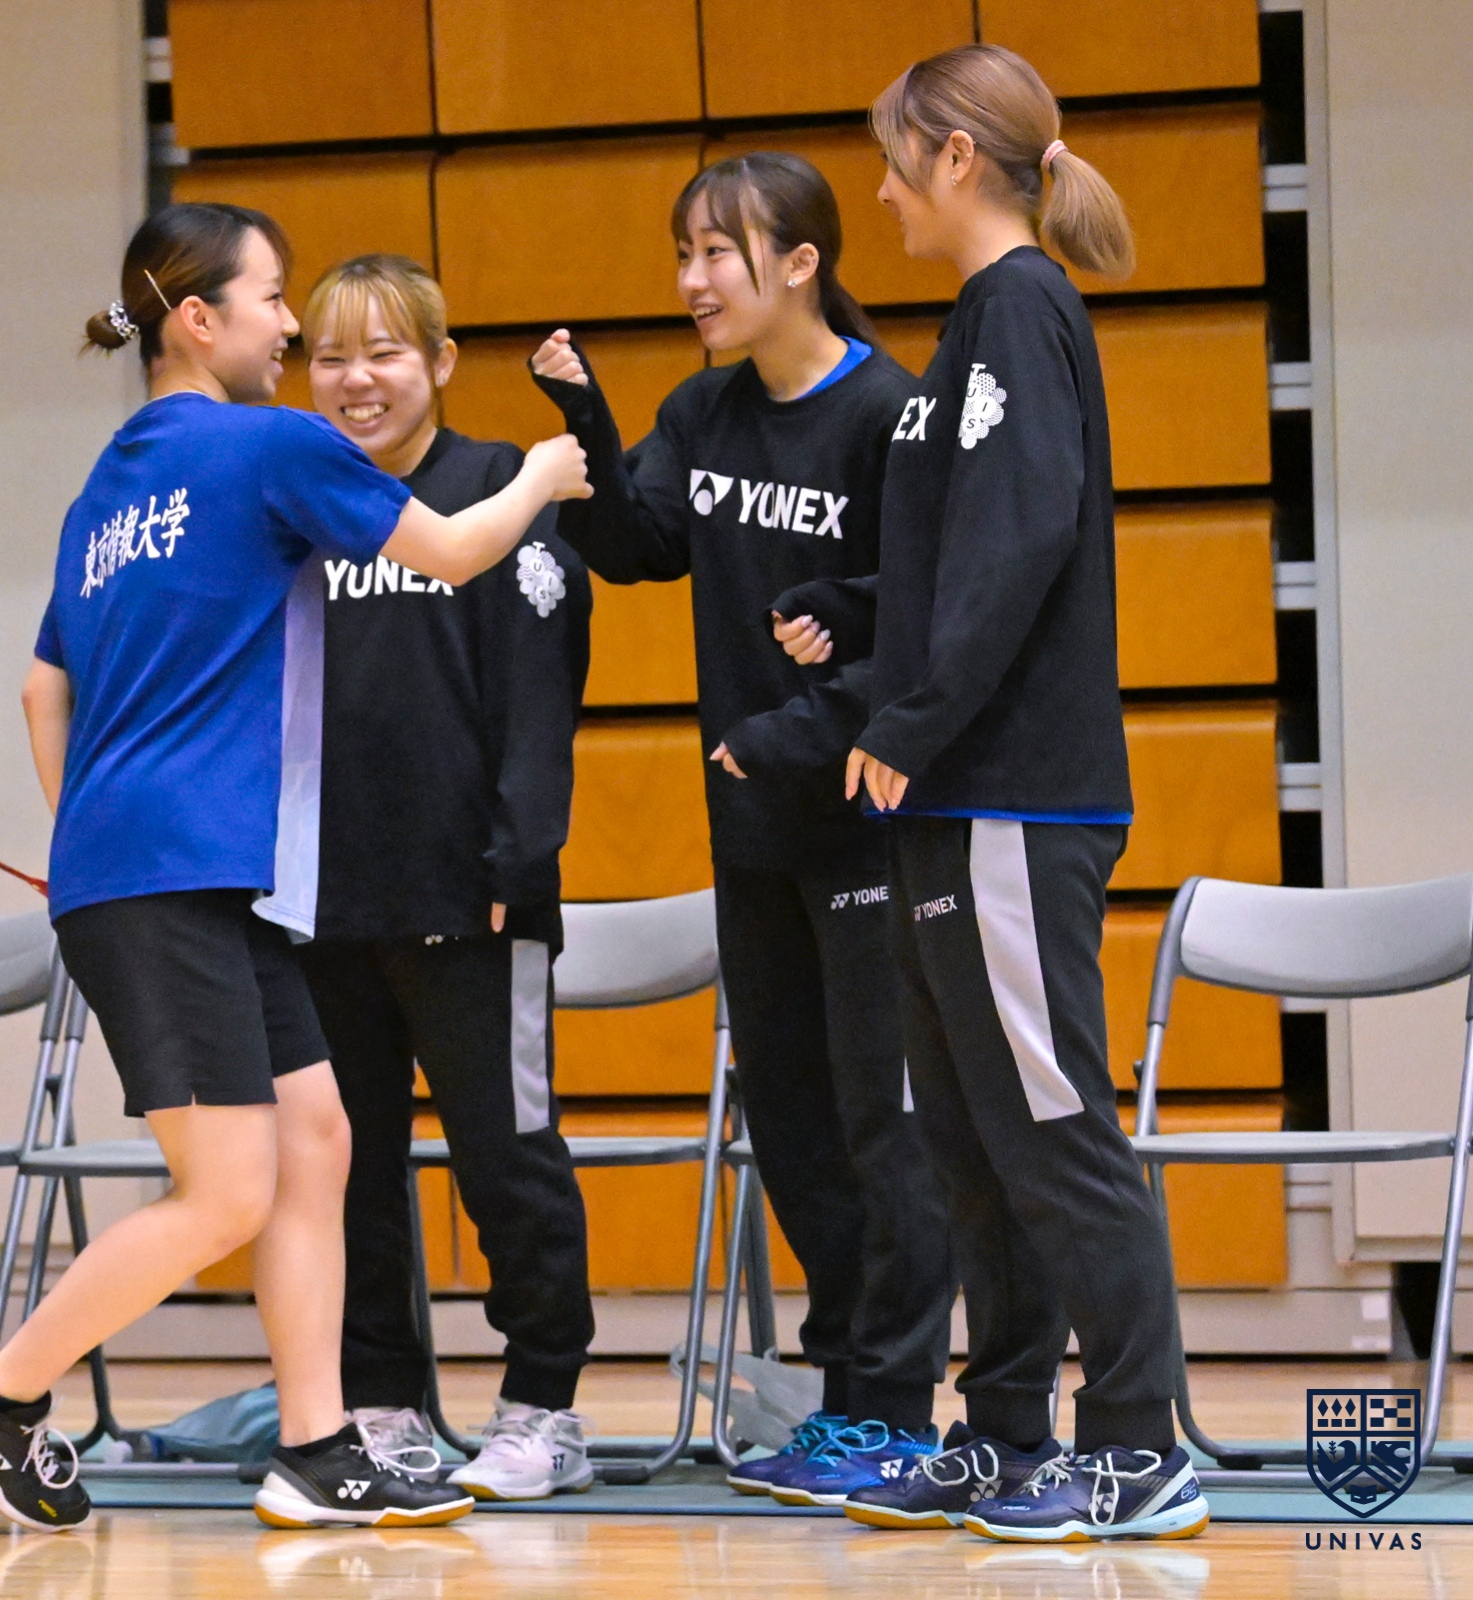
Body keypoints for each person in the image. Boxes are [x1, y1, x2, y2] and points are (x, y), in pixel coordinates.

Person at [0, 202, 589, 1533]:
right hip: (171, 879)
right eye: (272, 298)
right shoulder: (273, 444)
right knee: (226, 1189)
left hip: (187, 876)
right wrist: (542, 476)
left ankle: (318, 1443)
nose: (290, 326)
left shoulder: (108, 487)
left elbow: (46, 689)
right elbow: (456, 550)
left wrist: (85, 834)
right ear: (197, 318)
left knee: (316, 1139)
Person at [752, 45, 1206, 1544]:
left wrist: (915, 714)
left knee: (1051, 1118)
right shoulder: (977, 325)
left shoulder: (1017, 305)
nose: (880, 190)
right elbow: (967, 549)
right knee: (972, 1133)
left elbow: (1022, 540)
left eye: (894, 157)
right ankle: (1007, 1434)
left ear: (954, 156)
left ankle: (1138, 1443)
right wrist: (860, 612)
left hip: (1010, 792)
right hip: (957, 795)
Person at [526, 152, 955, 1507]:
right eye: (684, 253)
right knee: (794, 1119)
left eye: (718, 252)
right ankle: (846, 1398)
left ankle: (896, 1408)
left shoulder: (889, 413)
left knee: (884, 1125)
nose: (693, 279)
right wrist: (586, 423)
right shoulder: (702, 410)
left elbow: (922, 622)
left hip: (870, 822)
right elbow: (636, 543)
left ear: (800, 262)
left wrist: (804, 720)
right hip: (752, 827)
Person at [292, 254, 598, 1501]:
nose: (355, 380)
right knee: (347, 1168)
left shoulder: (498, 490)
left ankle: (543, 1405)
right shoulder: (307, 504)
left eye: (383, 354)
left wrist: (520, 857)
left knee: (505, 1157)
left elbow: (539, 695)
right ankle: (381, 1401)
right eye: (329, 357)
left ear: (439, 363)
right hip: (324, 909)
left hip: (473, 903)